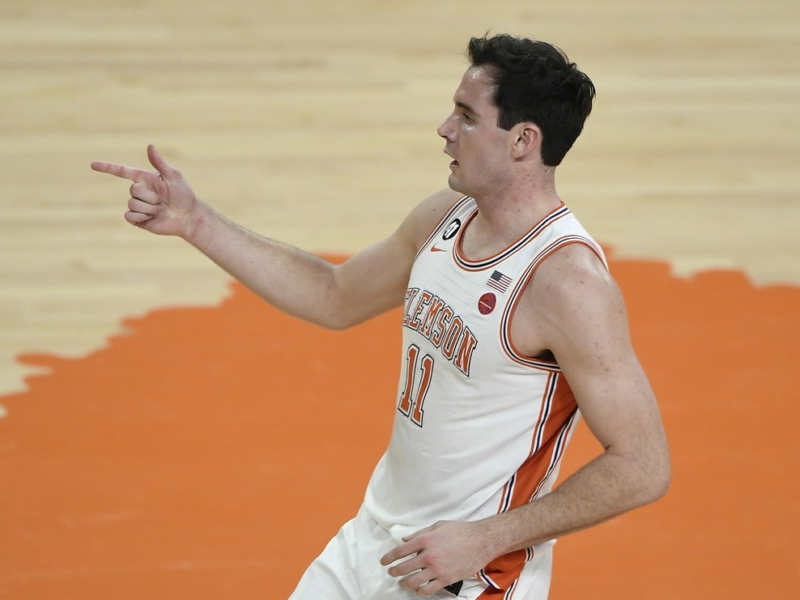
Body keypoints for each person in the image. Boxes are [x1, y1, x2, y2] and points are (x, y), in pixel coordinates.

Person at [92, 33, 670, 600]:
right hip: (371, 542)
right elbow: (333, 294)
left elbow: (642, 466)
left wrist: (486, 538)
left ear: (523, 140)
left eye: (467, 117)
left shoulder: (567, 283)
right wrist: (196, 222)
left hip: (466, 577)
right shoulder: (446, 216)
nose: (444, 128)